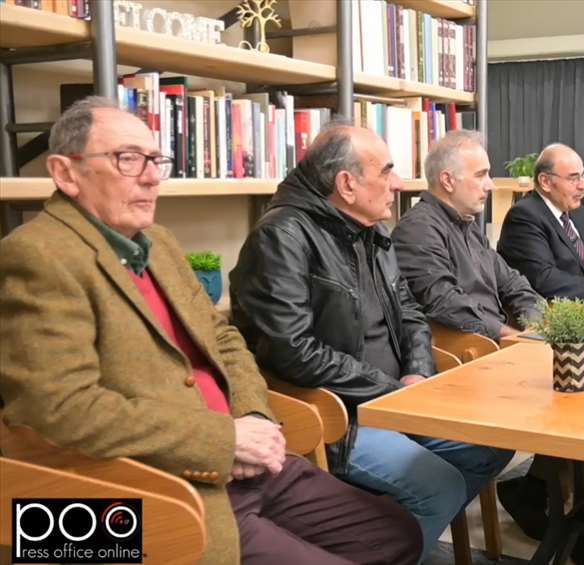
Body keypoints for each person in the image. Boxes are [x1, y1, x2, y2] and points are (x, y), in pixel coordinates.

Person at [0, 97, 420, 565]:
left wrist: (254, 418)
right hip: (157, 486)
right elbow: (59, 408)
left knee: (397, 533)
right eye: (127, 159)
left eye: (155, 160)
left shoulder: (156, 242)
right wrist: (222, 441)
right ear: (65, 173)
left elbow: (224, 341)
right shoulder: (37, 255)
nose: (151, 177)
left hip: (249, 461)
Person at [229, 122, 513, 557]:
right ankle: (394, 541)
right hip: (338, 413)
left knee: (489, 446)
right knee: (439, 487)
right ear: (347, 184)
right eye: (386, 171)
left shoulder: (373, 232)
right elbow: (293, 350)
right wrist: (389, 390)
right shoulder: (280, 237)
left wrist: (417, 372)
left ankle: (393, 540)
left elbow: (411, 312)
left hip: (392, 398)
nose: (398, 183)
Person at [393, 130, 542, 342]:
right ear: (448, 181)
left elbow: (513, 284)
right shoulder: (417, 230)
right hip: (473, 350)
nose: (490, 185)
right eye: (481, 175)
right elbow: (445, 302)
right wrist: (514, 338)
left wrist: (535, 325)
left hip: (498, 343)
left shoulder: (468, 227)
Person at [497, 143, 584, 300]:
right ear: (545, 182)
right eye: (573, 178)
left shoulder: (577, 211)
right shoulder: (524, 216)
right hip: (560, 309)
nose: (583, 185)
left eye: (583, 176)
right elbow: (544, 279)